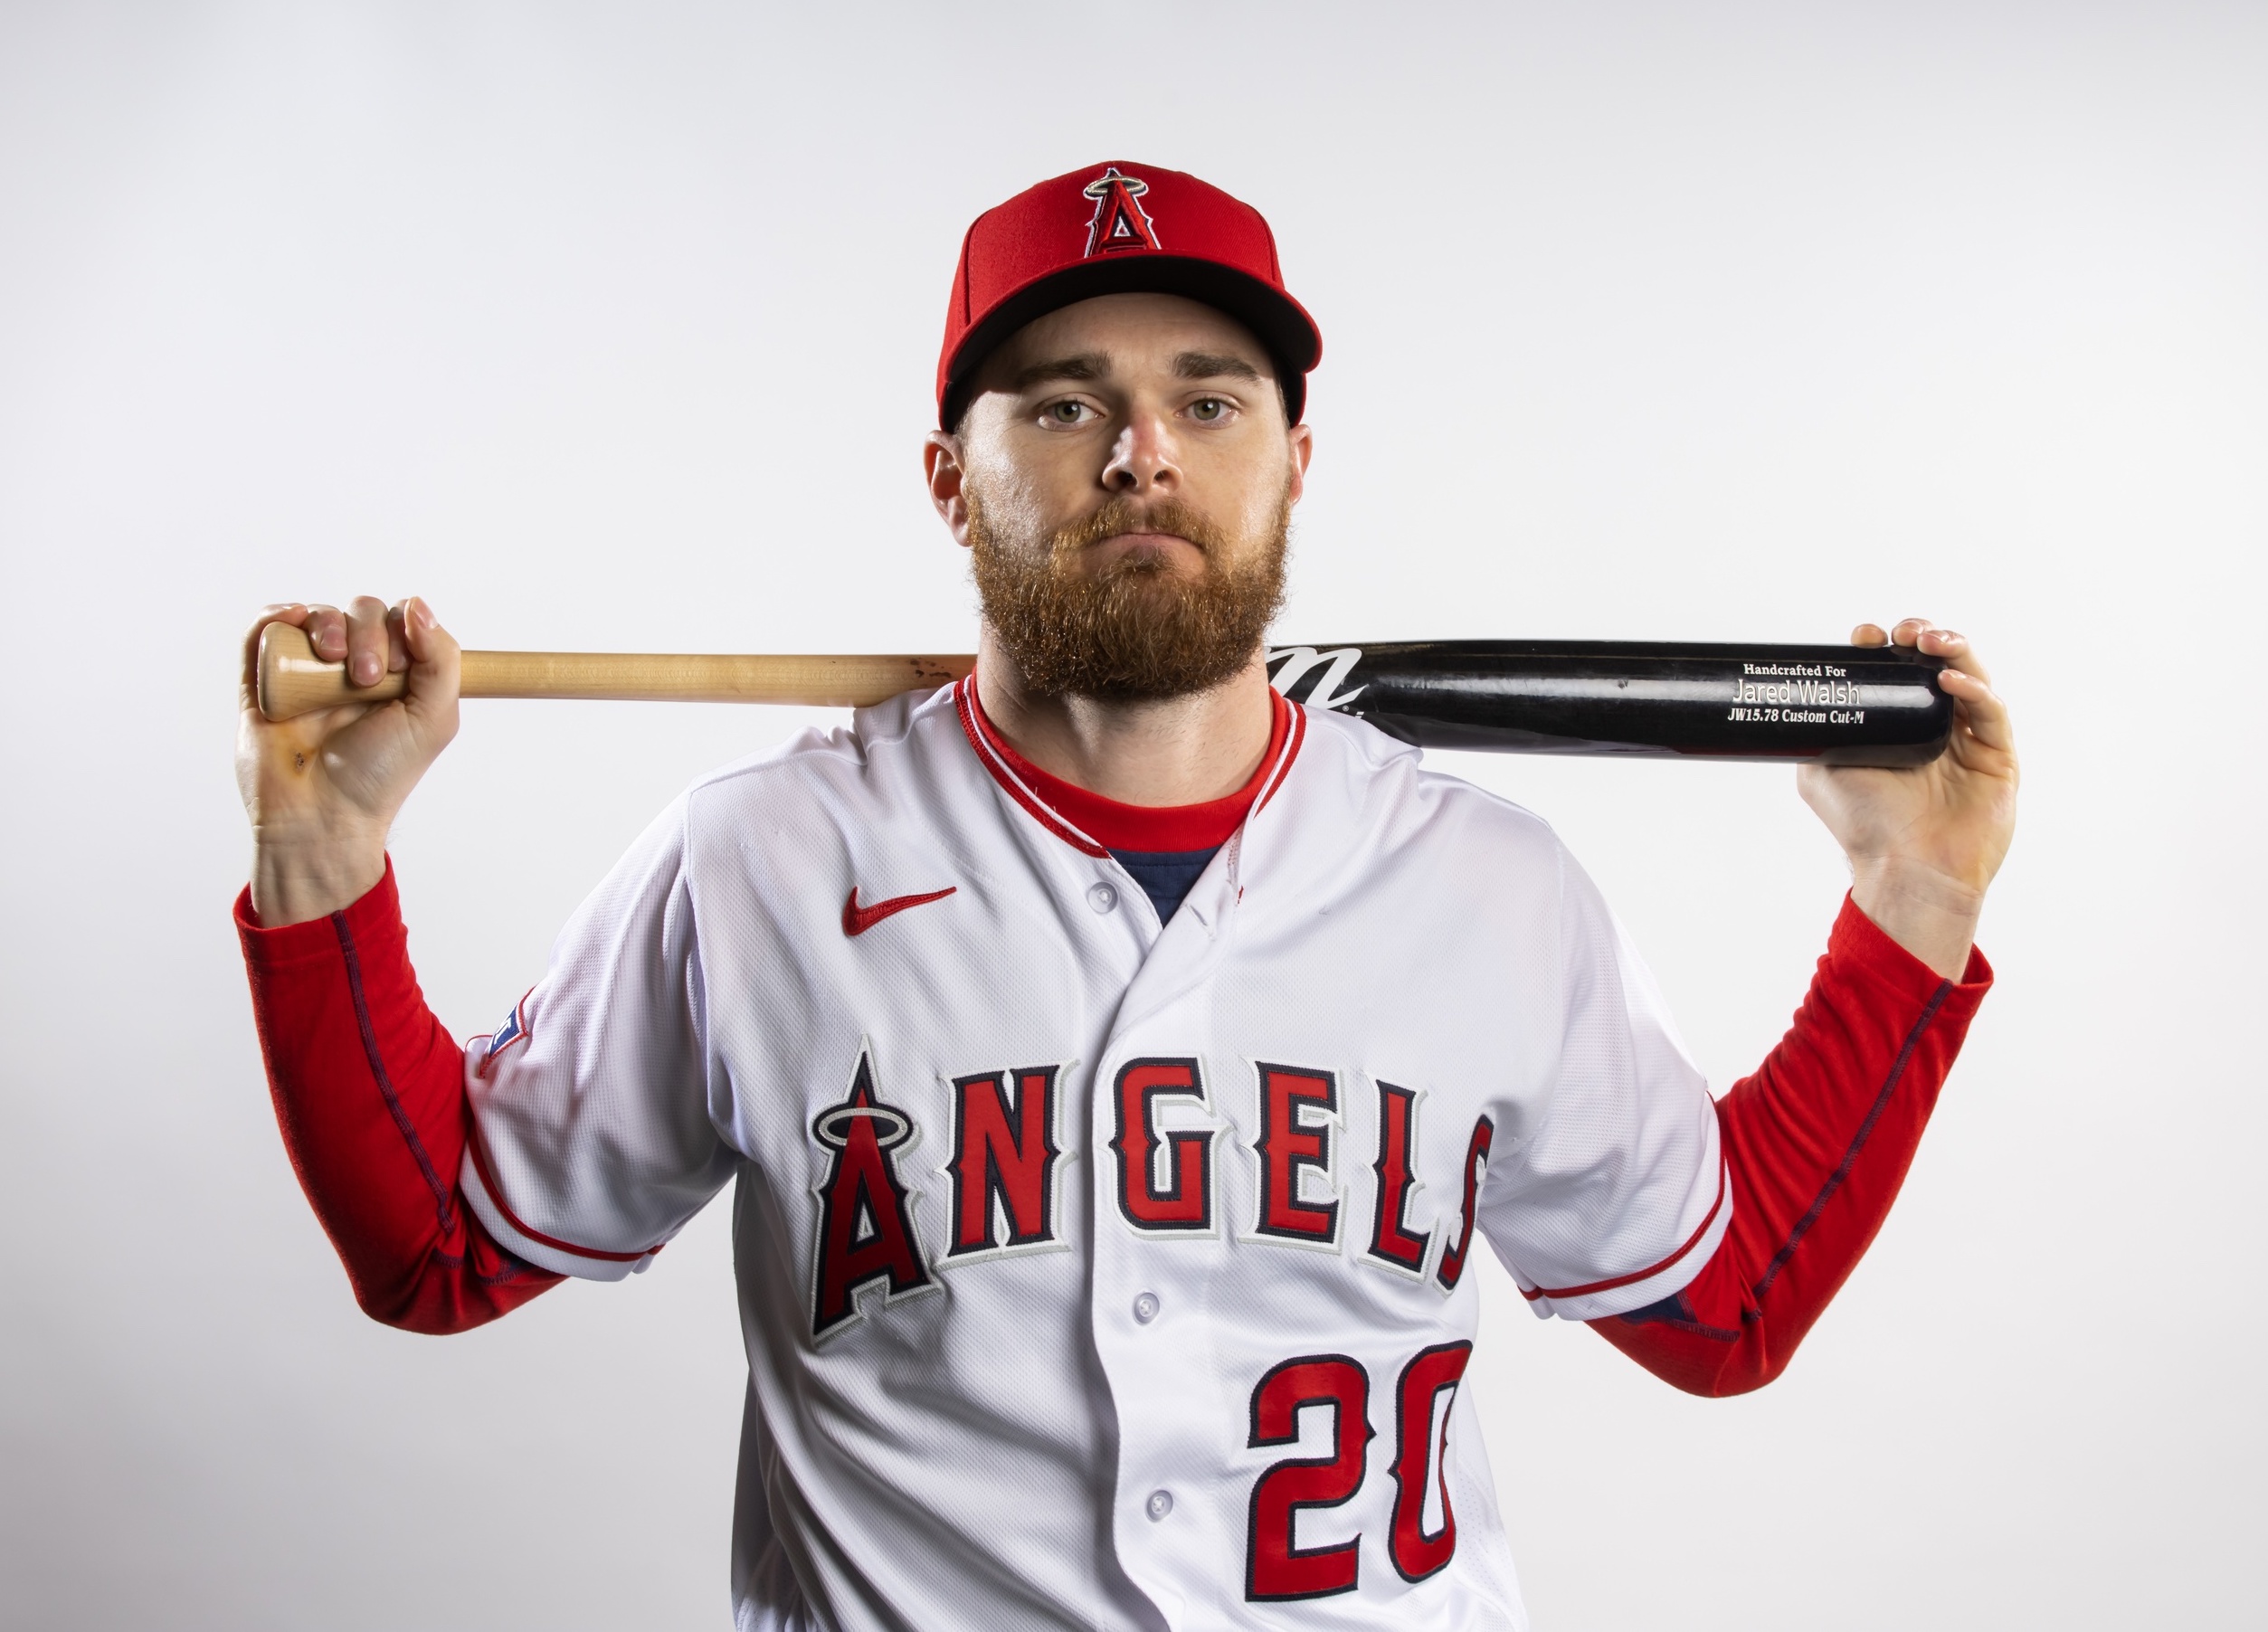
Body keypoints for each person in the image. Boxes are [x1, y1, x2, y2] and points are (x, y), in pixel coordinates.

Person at [232, 162, 2016, 1631]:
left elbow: (1722, 1304)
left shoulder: (1488, 887)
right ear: (952, 478)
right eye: (1064, 398)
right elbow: (443, 1237)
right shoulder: (759, 862)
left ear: (1291, 462)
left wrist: (1915, 893)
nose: (1138, 451)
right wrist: (323, 859)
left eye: (1207, 398)